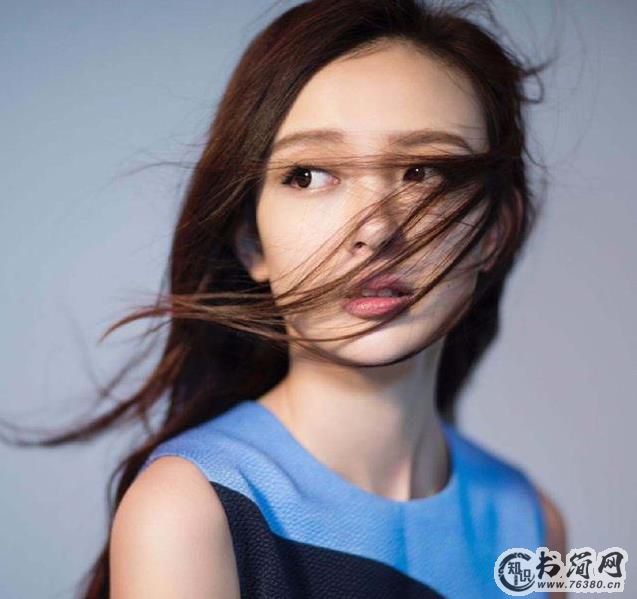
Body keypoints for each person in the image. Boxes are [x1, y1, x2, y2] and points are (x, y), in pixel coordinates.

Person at [10, 1, 567, 597]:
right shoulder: (193, 510)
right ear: (252, 240)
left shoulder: (535, 526)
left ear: (494, 231)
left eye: (425, 171)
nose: (376, 230)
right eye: (308, 175)